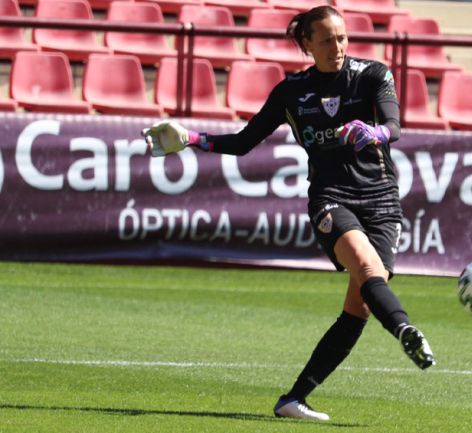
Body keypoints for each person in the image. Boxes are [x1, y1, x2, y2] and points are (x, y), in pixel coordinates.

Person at [142, 5, 435, 422]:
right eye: (327, 39)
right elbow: (245, 141)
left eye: (342, 37)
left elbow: (394, 125)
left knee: (360, 306)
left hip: (383, 201)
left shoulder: (373, 75)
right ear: (307, 44)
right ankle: (406, 330)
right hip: (332, 198)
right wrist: (192, 138)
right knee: (368, 270)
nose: (337, 46)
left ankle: (293, 400)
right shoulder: (292, 91)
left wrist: (375, 132)